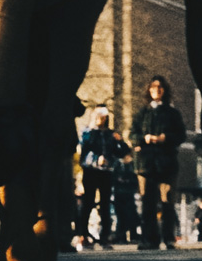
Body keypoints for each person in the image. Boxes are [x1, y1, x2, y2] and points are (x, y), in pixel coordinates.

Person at [131, 77, 186, 250]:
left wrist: (165, 138)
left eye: (160, 87)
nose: (157, 89)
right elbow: (132, 135)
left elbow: (181, 135)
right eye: (154, 87)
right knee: (147, 202)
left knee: (167, 201)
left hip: (167, 163)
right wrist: (144, 138)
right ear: (149, 90)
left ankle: (168, 238)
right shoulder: (142, 113)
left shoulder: (172, 113)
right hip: (145, 165)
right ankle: (149, 239)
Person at [78, 105, 130, 248]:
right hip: (91, 171)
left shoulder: (110, 134)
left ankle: (105, 236)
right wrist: (96, 159)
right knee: (88, 203)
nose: (101, 117)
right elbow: (84, 150)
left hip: (106, 172)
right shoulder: (88, 132)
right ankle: (84, 235)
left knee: (105, 204)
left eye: (103, 115)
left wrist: (120, 141)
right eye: (98, 114)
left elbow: (123, 152)